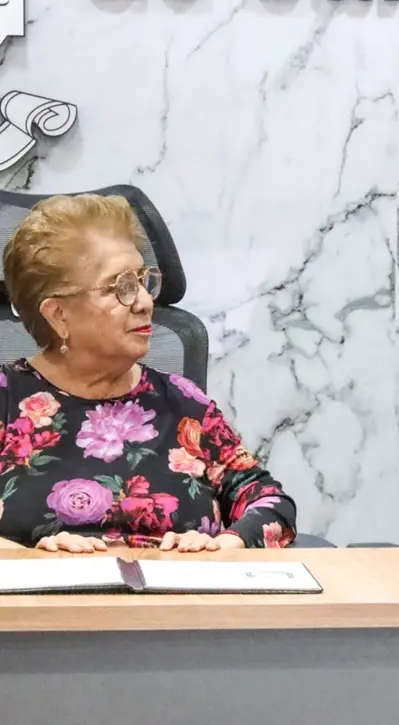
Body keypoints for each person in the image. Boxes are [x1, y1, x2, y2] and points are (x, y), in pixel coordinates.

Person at [0, 194, 296, 552]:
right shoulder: (7, 398)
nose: (143, 301)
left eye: (142, 281)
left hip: (174, 603)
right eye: (120, 287)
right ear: (58, 314)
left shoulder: (184, 403)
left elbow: (271, 504)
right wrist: (27, 557)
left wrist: (224, 546)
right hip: (41, 606)